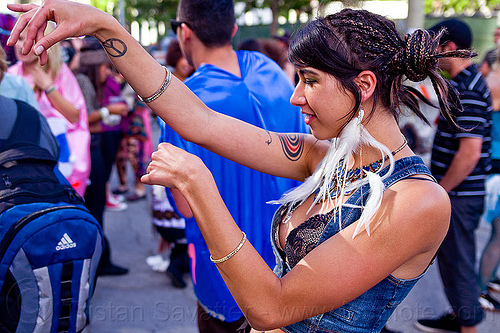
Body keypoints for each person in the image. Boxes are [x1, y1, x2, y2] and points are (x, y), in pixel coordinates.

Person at [7, 2, 470, 332]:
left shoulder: (416, 201)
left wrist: (199, 185)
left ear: (364, 84)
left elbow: (272, 306)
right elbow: (199, 121)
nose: (295, 97)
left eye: (310, 81)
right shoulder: (324, 155)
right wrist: (105, 27)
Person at [164, 0, 308, 329]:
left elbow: (186, 207)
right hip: (290, 263)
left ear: (185, 32)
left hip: (226, 276)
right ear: (233, 29)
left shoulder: (183, 102)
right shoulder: (271, 71)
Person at [416, 19, 492, 333]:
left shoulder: (469, 89)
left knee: (458, 266)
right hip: (458, 195)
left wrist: (440, 191)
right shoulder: (463, 83)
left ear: (448, 47)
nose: (431, 55)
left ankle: (469, 326)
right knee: (451, 263)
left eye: (434, 47)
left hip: (460, 197)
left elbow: (470, 153)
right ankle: (460, 317)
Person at [8, 24, 90, 197]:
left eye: (25, 39)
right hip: (23, 162)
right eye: (18, 38)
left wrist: (49, 87)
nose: (18, 44)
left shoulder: (60, 73)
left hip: (63, 161)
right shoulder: (10, 76)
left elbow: (76, 116)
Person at [75, 37, 129, 276]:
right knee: (94, 209)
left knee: (95, 209)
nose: (108, 73)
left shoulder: (84, 81)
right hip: (89, 151)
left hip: (93, 148)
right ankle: (98, 262)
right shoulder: (82, 81)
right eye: (106, 67)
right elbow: (83, 120)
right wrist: (107, 111)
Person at [476, 46, 500, 312]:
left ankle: (484, 284)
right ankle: (479, 290)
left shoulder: (490, 81)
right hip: (495, 164)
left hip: (493, 163)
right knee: (499, 234)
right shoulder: (493, 82)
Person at [0, 43, 38, 109]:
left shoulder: (18, 84)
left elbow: (35, 117)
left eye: (33, 42)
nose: (22, 46)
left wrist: (49, 87)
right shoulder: (12, 72)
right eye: (20, 39)